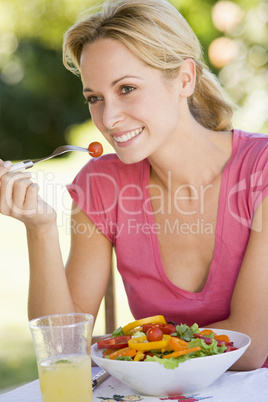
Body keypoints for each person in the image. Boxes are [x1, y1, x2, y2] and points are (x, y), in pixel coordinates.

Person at [0, 0, 267, 370]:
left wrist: (124, 346)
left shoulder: (261, 171)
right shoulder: (102, 184)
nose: (108, 118)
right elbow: (63, 349)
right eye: (95, 98)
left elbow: (249, 347)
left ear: (185, 79)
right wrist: (39, 228)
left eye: (126, 88)